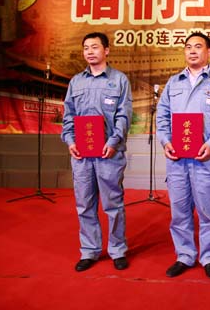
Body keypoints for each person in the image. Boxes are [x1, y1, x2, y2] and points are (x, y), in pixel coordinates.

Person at [156, 32, 210, 280]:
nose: (192, 51)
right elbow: (162, 116)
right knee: (179, 210)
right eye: (188, 47)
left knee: (207, 211)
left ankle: (209, 257)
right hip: (177, 160)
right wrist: (166, 141)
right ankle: (184, 255)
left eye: (198, 46)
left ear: (208, 52)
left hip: (206, 159)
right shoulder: (173, 83)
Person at [61, 31, 133, 272]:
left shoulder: (119, 80)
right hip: (82, 155)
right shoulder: (76, 82)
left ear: (106, 50)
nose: (90, 52)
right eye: (86, 48)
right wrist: (70, 141)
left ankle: (118, 249)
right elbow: (69, 115)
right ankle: (89, 250)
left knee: (113, 204)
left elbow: (124, 115)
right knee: (84, 204)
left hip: (108, 153)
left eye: (95, 47)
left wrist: (113, 142)